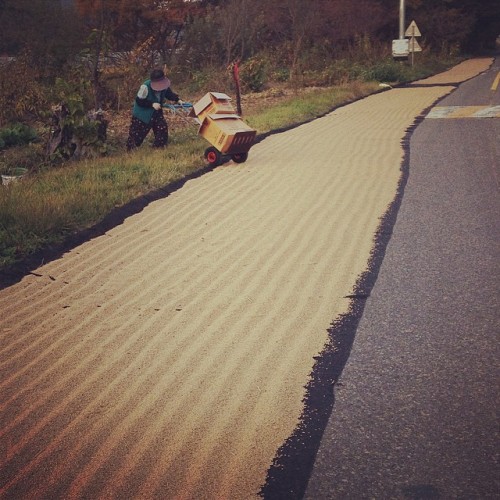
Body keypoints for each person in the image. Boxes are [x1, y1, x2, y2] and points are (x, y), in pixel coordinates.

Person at [126, 68, 183, 151]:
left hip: (156, 112)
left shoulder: (165, 86)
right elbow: (139, 101)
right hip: (142, 114)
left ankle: (159, 148)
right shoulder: (145, 87)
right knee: (137, 134)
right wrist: (152, 104)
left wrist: (178, 100)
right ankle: (131, 150)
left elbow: (169, 94)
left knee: (162, 128)